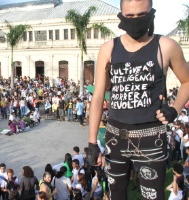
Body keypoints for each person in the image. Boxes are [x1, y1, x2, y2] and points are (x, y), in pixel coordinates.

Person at [88, 0, 189, 199]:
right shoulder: (108, 49)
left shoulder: (166, 46)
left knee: (153, 195)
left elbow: (187, 81)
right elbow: (98, 96)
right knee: (115, 194)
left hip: (152, 137)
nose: (135, 20)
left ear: (151, 12)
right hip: (115, 137)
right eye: (130, 16)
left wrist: (174, 109)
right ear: (121, 14)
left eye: (141, 15)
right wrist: (92, 143)